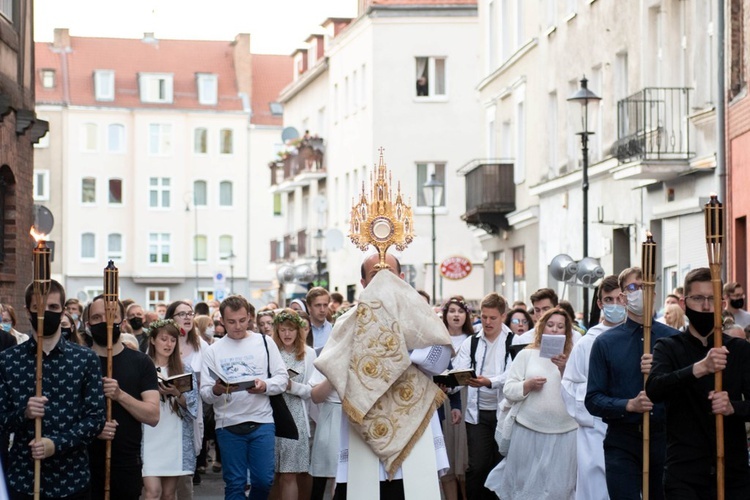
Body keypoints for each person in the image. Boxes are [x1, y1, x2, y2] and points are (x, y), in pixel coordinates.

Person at [315, 252, 452, 500]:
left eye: (388, 273)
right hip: (364, 424)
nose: (383, 280)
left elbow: (440, 361)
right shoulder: (348, 321)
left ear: (401, 278)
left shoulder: (421, 316)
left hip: (413, 418)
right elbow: (332, 366)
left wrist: (395, 354)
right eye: (375, 275)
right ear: (364, 283)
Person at [646, 268, 750, 498]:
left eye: (712, 299)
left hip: (732, 473)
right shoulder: (668, 347)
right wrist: (699, 368)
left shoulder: (740, 349)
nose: (705, 306)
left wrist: (734, 407)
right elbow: (654, 389)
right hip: (684, 474)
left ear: (723, 304)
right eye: (698, 299)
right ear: (683, 304)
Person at [0, 280, 106, 500]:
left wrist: (56, 444)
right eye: (38, 308)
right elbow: (1, 418)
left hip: (71, 480)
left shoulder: (85, 359)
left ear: (63, 310)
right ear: (27, 309)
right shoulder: (8, 360)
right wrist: (24, 413)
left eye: (53, 308)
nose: (46, 313)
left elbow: (96, 418)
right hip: (24, 478)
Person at [586, 267, 680, 500]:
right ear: (623, 297)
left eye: (645, 286)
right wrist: (628, 405)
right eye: (633, 287)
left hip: (665, 441)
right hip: (622, 440)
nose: (640, 291)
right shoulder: (605, 343)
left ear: (655, 294)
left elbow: (686, 391)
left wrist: (662, 374)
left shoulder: (674, 340)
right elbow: (593, 399)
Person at [200, 295, 288, 500]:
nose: (237, 326)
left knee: (263, 480)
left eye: (242, 320)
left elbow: (282, 379)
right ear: (221, 320)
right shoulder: (213, 350)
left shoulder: (265, 342)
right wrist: (217, 390)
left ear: (249, 317)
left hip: (262, 420)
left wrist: (265, 385)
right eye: (231, 322)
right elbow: (205, 393)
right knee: (235, 483)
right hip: (228, 424)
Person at [485, 307, 578, 499]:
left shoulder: (574, 356)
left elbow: (579, 392)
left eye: (560, 326)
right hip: (528, 430)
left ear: (566, 331)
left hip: (564, 432)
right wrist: (526, 385)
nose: (554, 330)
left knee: (558, 487)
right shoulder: (526, 355)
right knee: (525, 484)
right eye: (550, 325)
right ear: (542, 327)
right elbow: (509, 389)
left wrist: (564, 369)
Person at [86, 294, 160, 500]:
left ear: (123, 322)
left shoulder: (141, 362)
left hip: (126, 463)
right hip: (83, 464)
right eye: (97, 318)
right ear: (88, 324)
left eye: (111, 316)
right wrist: (94, 428)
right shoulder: (79, 362)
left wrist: (120, 395)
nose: (105, 322)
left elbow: (153, 415)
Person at [561, 275, 624, 500]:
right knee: (597, 488)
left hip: (629, 425)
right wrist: (596, 398)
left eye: (620, 298)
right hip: (595, 428)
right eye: (609, 299)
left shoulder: (638, 337)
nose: (615, 304)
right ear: (600, 304)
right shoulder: (587, 343)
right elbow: (568, 385)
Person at [452, 292, 512, 500]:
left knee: (500, 464)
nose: (487, 322)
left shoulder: (512, 341)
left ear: (503, 316)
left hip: (504, 413)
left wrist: (490, 381)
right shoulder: (472, 342)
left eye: (492, 318)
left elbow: (512, 376)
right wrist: (451, 383)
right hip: (476, 414)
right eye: (484, 317)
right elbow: (459, 369)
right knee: (477, 466)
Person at [142, 319, 199, 500]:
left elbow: (193, 406)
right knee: (152, 492)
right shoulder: (143, 366)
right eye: (163, 339)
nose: (168, 344)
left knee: (168, 494)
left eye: (173, 340)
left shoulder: (184, 369)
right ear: (152, 340)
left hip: (173, 434)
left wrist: (176, 393)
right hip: (150, 434)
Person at [271, 309, 316, 500]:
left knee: (290, 473)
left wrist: (292, 386)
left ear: (299, 331)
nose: (287, 334)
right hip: (273, 413)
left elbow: (312, 390)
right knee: (271, 474)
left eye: (291, 329)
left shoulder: (308, 354)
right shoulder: (271, 352)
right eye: (282, 330)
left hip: (296, 416)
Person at [166, 301, 208, 489]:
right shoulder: (164, 343)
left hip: (192, 407)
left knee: (187, 464)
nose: (187, 317)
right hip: (167, 406)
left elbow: (212, 376)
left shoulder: (202, 346)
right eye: (181, 314)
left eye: (189, 313)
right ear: (171, 318)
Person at [440, 297, 472, 500]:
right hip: (442, 397)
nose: (456, 315)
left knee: (465, 457)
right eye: (452, 311)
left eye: (460, 311)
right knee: (447, 456)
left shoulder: (473, 340)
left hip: (467, 396)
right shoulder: (438, 340)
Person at [306, 287, 332, 355]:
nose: (322, 310)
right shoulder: (301, 330)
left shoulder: (334, 330)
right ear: (309, 307)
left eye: (325, 305)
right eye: (318, 305)